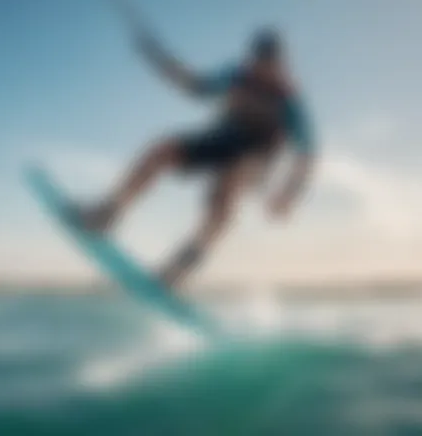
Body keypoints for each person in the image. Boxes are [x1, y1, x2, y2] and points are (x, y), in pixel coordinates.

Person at [72, 26, 316, 288]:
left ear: (280, 62)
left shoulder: (289, 100)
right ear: (253, 58)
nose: (263, 68)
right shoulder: (237, 74)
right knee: (160, 152)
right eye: (259, 60)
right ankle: (108, 212)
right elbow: (196, 86)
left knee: (225, 194)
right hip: (223, 139)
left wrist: (289, 195)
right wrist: (158, 58)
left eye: (270, 62)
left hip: (257, 158)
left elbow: (307, 153)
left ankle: (180, 267)